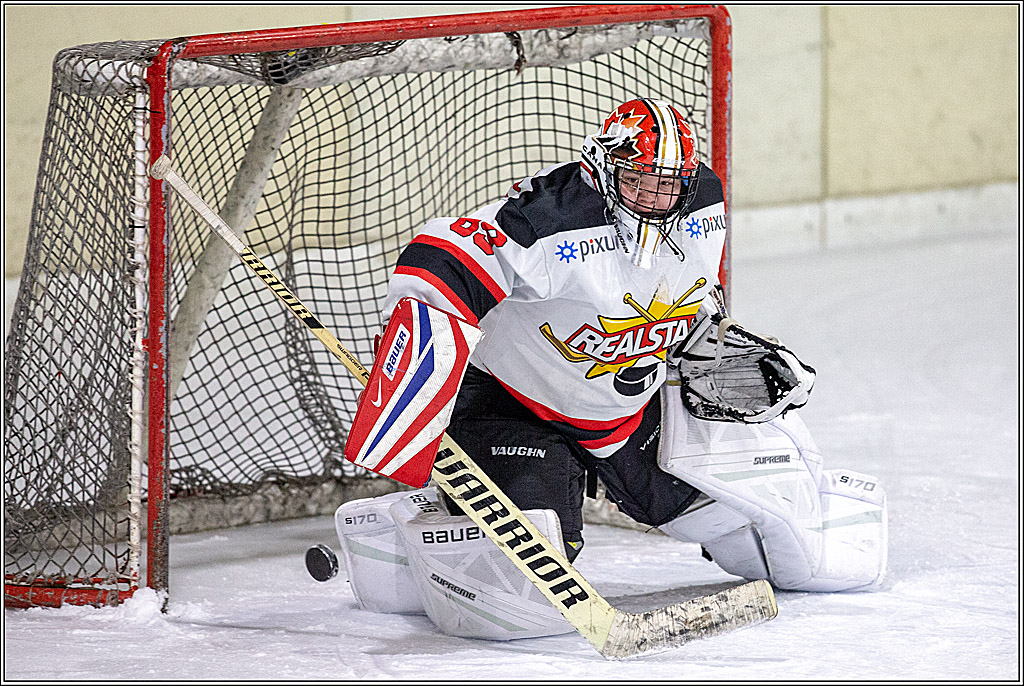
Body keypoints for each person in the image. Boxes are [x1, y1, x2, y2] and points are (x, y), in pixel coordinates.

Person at [332, 98, 888, 640]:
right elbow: (439, 256)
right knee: (516, 596)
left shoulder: (704, 204)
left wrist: (705, 342)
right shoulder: (552, 216)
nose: (653, 198)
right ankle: (410, 528)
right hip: (516, 404)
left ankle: (479, 511)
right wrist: (417, 350)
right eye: (638, 181)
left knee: (760, 534)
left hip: (624, 407)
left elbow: (684, 290)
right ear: (603, 168)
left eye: (667, 184)